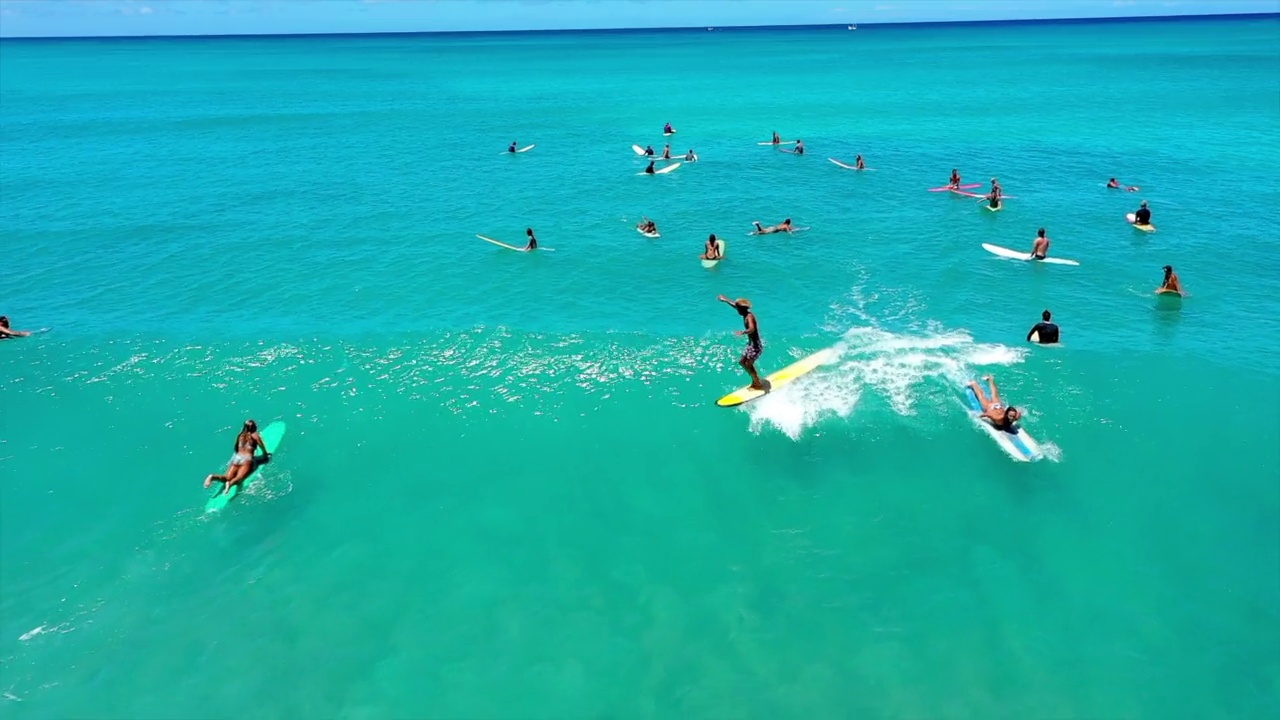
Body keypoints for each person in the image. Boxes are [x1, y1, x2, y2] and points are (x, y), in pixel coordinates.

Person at [204, 420, 269, 494]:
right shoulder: (254, 435)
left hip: (236, 458)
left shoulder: (240, 435)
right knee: (239, 478)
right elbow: (262, 446)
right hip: (247, 460)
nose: (256, 426)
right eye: (255, 425)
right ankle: (230, 484)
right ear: (253, 427)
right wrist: (265, 455)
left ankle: (212, 477)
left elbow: (235, 448)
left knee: (227, 477)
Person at [717, 295, 765, 390]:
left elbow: (752, 328)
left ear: (741, 309)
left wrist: (743, 332)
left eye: (737, 308)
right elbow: (734, 305)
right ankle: (755, 379)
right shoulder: (744, 312)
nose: (736, 309)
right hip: (750, 344)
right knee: (742, 362)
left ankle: (757, 383)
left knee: (749, 364)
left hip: (755, 346)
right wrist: (725, 300)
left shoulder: (749, 317)